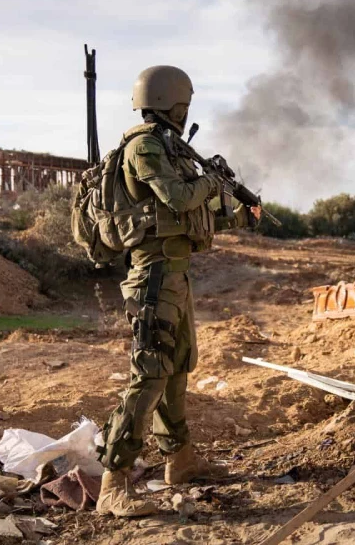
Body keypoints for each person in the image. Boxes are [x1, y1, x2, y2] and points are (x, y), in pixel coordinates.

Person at [95, 65, 260, 517]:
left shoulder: (170, 147)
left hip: (174, 272)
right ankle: (114, 482)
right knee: (150, 373)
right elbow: (179, 198)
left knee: (177, 367)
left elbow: (194, 216)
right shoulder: (145, 145)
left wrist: (243, 215)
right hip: (152, 276)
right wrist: (214, 179)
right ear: (176, 103)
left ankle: (181, 461)